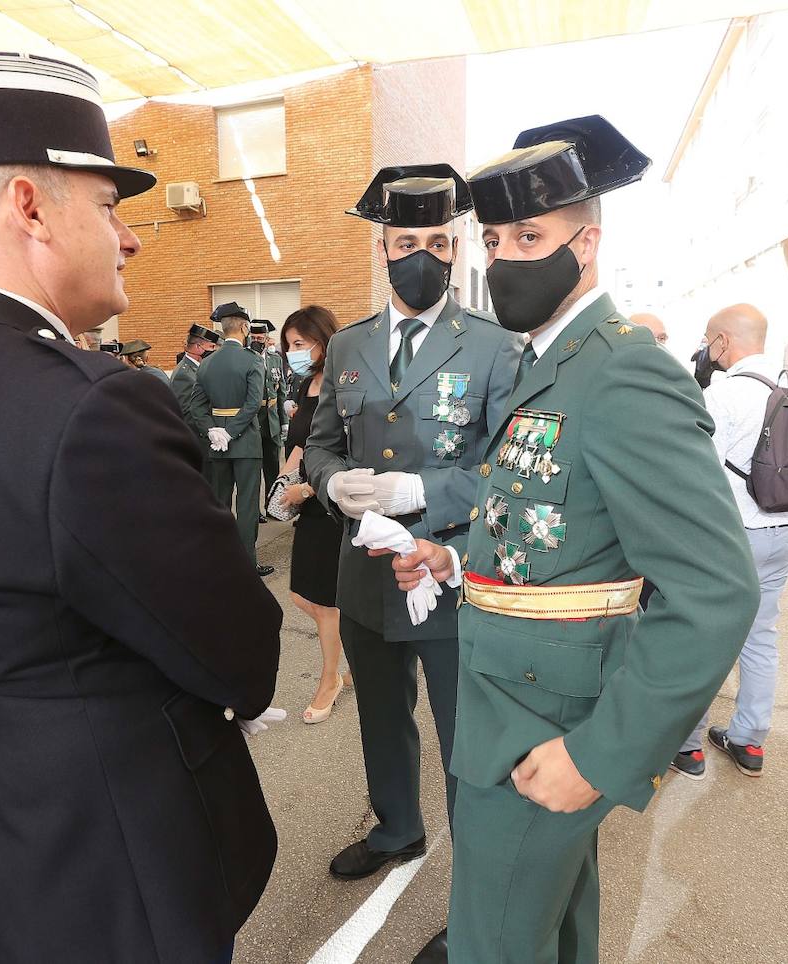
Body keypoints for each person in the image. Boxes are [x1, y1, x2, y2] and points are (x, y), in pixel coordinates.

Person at [0, 51, 281, 964]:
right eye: (110, 207)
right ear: (29, 205)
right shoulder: (94, 403)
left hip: (6, 846)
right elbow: (240, 651)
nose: (128, 239)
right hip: (127, 858)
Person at [386, 115, 758, 964]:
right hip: (509, 702)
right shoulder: (540, 358)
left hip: (546, 727)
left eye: (529, 235)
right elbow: (545, 512)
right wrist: (455, 556)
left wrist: (601, 755)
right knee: (554, 929)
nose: (504, 258)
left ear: (585, 243)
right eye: (492, 239)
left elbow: (714, 590)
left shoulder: (623, 369)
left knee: (495, 943)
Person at [305, 164, 520, 964]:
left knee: (468, 740)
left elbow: (509, 469)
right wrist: (332, 479)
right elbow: (324, 439)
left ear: (454, 246)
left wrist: (419, 487)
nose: (421, 256)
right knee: (380, 718)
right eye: (406, 242)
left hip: (445, 574)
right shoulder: (353, 343)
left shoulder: (496, 347)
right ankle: (396, 826)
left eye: (437, 242)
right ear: (384, 249)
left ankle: (480, 895)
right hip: (365, 577)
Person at [669, 304, 788, 781]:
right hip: (782, 533)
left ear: (721, 343)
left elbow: (695, 472)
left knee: (705, 641)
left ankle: (689, 746)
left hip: (730, 538)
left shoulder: (723, 396)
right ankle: (749, 740)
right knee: (761, 638)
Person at [277, 306, 350, 724]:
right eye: (289, 346)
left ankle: (330, 679)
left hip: (330, 504)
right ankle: (352, 655)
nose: (293, 353)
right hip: (305, 503)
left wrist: (306, 488)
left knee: (323, 601)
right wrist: (283, 483)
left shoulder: (342, 386)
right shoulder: (307, 384)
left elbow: (349, 451)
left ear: (324, 342)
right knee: (304, 595)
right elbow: (301, 445)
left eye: (300, 344)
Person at [190, 308, 274, 578]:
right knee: (248, 506)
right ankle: (246, 564)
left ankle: (219, 560)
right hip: (246, 442)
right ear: (245, 328)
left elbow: (196, 406)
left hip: (217, 444)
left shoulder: (207, 362)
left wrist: (213, 432)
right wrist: (232, 432)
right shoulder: (252, 361)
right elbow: (252, 405)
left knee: (220, 504)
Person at [249, 319, 286, 522]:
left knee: (273, 468)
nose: (257, 341)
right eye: (253, 338)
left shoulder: (275, 359)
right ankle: (254, 512)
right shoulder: (246, 358)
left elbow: (281, 392)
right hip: (253, 421)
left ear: (267, 339)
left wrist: (284, 421)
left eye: (260, 338)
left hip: (271, 420)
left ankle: (272, 506)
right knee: (253, 471)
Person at [171, 323, 221, 445]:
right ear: (198, 347)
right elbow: (188, 414)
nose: (214, 351)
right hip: (199, 440)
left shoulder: (198, 368)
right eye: (211, 347)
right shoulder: (184, 375)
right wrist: (211, 431)